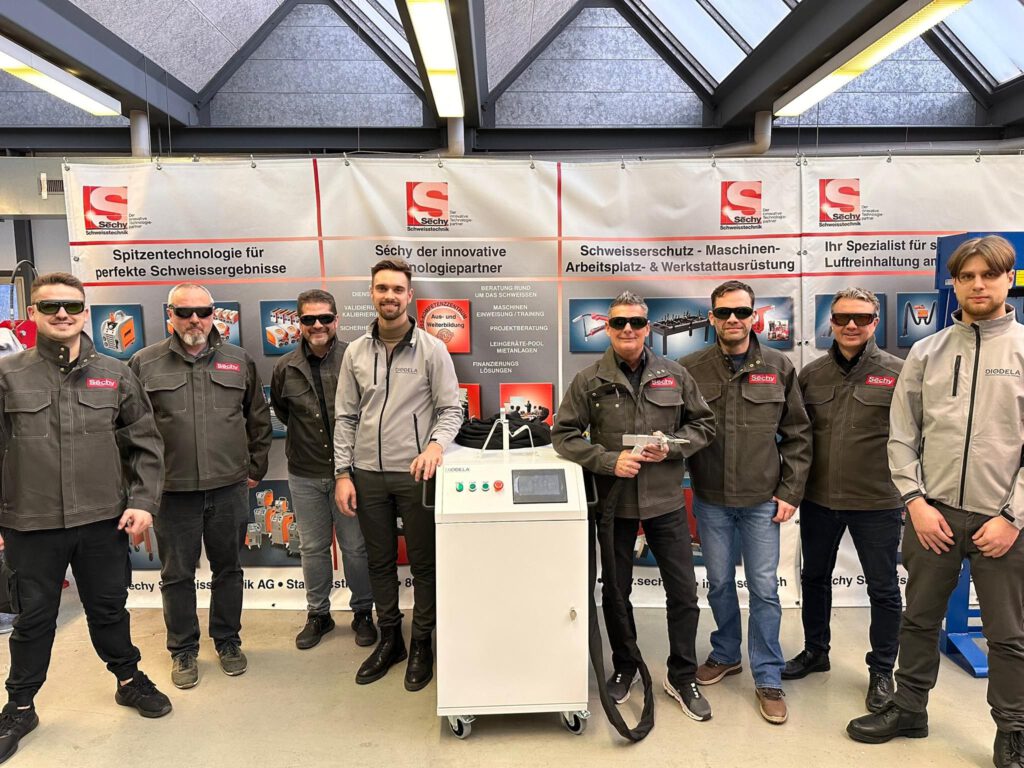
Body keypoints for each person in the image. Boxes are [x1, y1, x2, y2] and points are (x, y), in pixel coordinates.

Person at [847, 235, 1024, 768]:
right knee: (919, 620)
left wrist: (1013, 517)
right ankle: (909, 709)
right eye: (967, 276)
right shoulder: (927, 352)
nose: (977, 285)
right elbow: (902, 435)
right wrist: (916, 502)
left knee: (1008, 636)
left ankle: (1013, 730)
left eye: (988, 275)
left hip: (1004, 523)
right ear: (954, 283)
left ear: (1009, 279)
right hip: (934, 515)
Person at [0, 272, 171, 764]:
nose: (62, 314)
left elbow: (145, 442)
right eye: (49, 306)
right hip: (31, 522)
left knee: (109, 610)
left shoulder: (115, 373)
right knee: (34, 619)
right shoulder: (8, 375)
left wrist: (143, 502)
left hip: (101, 521)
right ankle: (20, 706)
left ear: (85, 312)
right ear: (32, 312)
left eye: (72, 306)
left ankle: (128, 680)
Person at [553, 291, 716, 720]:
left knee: (684, 593)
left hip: (666, 503)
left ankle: (682, 675)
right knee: (616, 592)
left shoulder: (675, 375)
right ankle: (625, 666)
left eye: (637, 323)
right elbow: (563, 435)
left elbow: (703, 425)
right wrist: (609, 461)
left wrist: (673, 446)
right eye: (619, 322)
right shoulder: (589, 380)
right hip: (615, 505)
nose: (628, 329)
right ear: (608, 328)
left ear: (647, 328)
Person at [679, 280, 811, 725]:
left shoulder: (778, 365)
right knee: (718, 583)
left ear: (754, 316)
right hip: (711, 498)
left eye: (741, 312)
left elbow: (798, 434)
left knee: (764, 589)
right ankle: (726, 653)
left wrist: (790, 491)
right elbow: (676, 430)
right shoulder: (690, 368)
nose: (732, 319)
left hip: (761, 501)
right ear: (711, 317)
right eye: (723, 312)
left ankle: (768, 675)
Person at [130, 283, 271, 690]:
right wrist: (142, 487)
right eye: (184, 312)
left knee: (228, 569)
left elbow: (258, 419)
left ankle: (227, 641)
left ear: (214, 315)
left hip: (228, 489)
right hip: (173, 493)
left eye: (203, 312)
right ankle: (183, 649)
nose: (195, 320)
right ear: (169, 315)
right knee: (176, 575)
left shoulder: (239, 361)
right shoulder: (144, 363)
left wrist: (255, 468)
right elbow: (130, 430)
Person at [334, 258, 462, 692]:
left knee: (424, 564)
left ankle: (423, 642)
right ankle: (391, 640)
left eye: (397, 289)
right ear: (372, 294)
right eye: (382, 288)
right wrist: (343, 472)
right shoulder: (355, 352)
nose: (389, 296)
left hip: (416, 474)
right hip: (367, 475)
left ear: (410, 296)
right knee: (380, 562)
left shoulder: (432, 349)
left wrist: (434, 446)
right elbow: (346, 417)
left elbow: (451, 409)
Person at [783, 288, 903, 713]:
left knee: (883, 588)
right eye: (842, 318)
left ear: (875, 322)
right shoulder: (811, 375)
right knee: (814, 578)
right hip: (819, 499)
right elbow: (795, 437)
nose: (851, 325)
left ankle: (882, 670)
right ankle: (816, 652)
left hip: (878, 501)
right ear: (830, 323)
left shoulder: (899, 373)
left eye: (862, 317)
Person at [270, 289, 376, 650]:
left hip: (351, 474)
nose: (318, 325)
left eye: (325, 318)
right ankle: (318, 614)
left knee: (355, 548)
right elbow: (283, 413)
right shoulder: (285, 367)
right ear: (299, 323)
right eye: (309, 319)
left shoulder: (355, 358)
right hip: (304, 472)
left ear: (336, 320)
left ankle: (363, 612)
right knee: (313, 548)